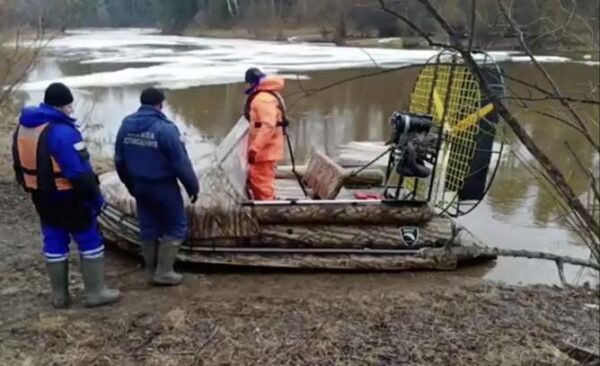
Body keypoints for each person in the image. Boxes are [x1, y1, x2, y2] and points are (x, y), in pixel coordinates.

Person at [12, 82, 120, 309]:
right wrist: (97, 200)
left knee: (53, 238)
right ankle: (95, 293)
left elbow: (18, 164)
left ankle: (59, 297)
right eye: (69, 106)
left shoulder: (24, 127)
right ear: (63, 105)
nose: (71, 110)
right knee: (89, 239)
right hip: (68, 196)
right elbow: (79, 173)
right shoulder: (62, 132)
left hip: (40, 195)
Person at [114, 87, 198, 286]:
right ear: (160, 104)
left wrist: (129, 184)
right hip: (163, 186)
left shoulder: (126, 125)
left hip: (139, 185)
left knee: (148, 225)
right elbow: (180, 162)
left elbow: (119, 159)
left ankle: (151, 269)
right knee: (176, 225)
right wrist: (192, 186)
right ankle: (165, 272)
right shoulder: (165, 129)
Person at [243, 67, 288, 201]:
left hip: (265, 150)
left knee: (261, 182)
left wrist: (254, 148)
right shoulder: (266, 95)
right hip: (266, 149)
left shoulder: (262, 99)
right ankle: (267, 202)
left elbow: (268, 125)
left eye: (249, 83)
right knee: (260, 179)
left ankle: (268, 209)